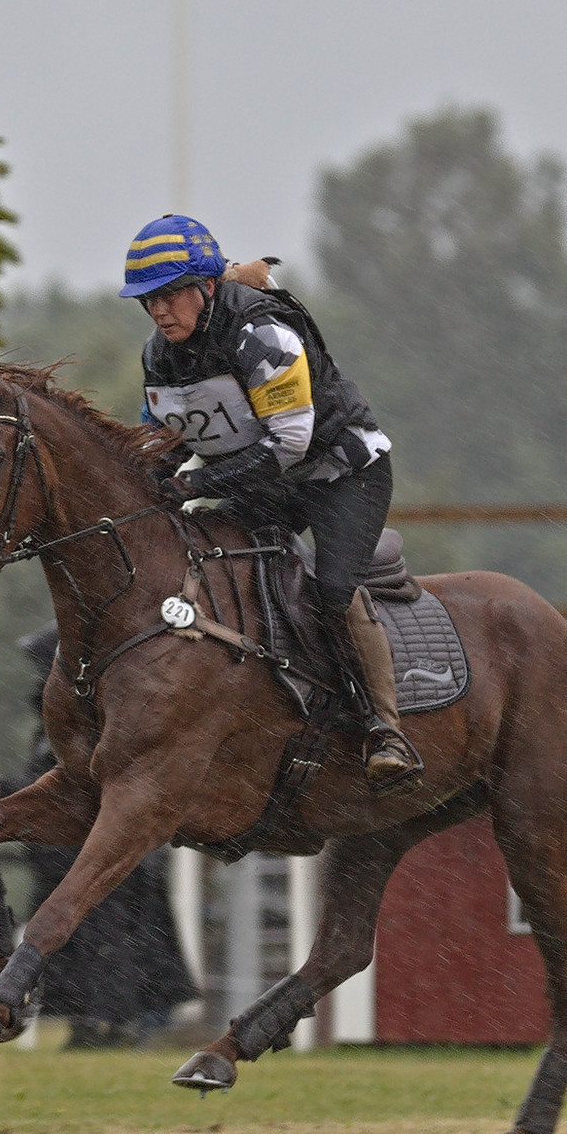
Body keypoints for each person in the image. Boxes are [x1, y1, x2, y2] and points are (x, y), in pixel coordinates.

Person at [121, 214, 422, 793]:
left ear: (207, 285)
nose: (159, 312)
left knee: (332, 588)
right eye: (147, 301)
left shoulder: (260, 332)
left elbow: (290, 443)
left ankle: (386, 729)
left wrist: (193, 486)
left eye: (169, 295)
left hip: (341, 471)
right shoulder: (159, 356)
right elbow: (160, 442)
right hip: (263, 481)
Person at [0, 624, 197, 1047]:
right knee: (90, 942)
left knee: (103, 941)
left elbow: (67, 786)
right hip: (70, 857)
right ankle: (92, 1023)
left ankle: (109, 1023)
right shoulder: (61, 723)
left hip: (85, 856)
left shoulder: (80, 723)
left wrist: (8, 792)